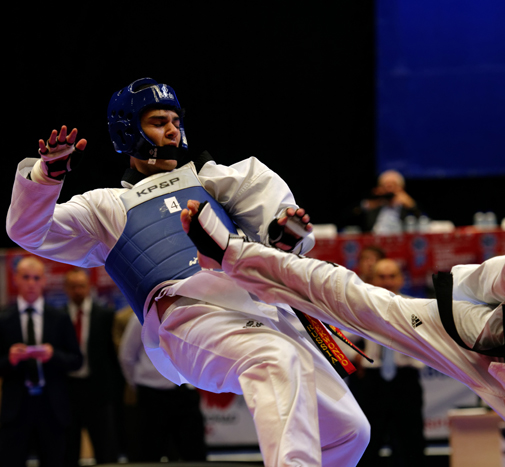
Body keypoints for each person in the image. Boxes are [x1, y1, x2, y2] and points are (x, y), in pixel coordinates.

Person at [182, 193, 505, 466]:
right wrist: (481, 332)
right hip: (496, 353)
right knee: (361, 299)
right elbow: (473, 287)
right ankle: (231, 254)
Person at [7, 77, 369, 466]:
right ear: (129, 131)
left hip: (260, 310)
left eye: (176, 120)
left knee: (349, 431)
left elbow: (277, 230)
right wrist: (47, 177)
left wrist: (283, 235)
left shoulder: (215, 180)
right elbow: (28, 231)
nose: (172, 128)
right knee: (273, 359)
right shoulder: (107, 207)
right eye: (158, 120)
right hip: (188, 318)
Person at [0, 256, 83, 467]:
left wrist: (53, 355)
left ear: (44, 281)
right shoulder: (3, 319)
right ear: (15, 279)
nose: (31, 283)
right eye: (26, 277)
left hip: (52, 407)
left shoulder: (59, 317)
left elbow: (77, 360)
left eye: (36, 278)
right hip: (16, 408)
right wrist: (9, 359)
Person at [349, 258, 426, 466]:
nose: (387, 281)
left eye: (392, 276)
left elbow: (429, 339)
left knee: (411, 442)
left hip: (406, 378)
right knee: (368, 443)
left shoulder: (414, 307)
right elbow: (339, 337)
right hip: (373, 382)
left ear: (401, 279)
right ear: (372, 280)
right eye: (381, 276)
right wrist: (356, 356)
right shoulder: (361, 308)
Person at [119, 313, 207, 461]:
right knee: (148, 453)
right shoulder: (141, 318)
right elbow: (126, 356)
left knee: (194, 451)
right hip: (152, 395)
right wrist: (138, 383)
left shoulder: (191, 313)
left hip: (185, 392)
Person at [63, 268, 123, 466]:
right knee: (68, 449)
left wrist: (114, 392)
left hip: (99, 391)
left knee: (105, 449)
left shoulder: (105, 315)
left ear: (89, 287)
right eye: (73, 287)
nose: (78, 291)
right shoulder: (59, 317)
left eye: (81, 286)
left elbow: (113, 358)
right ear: (66, 289)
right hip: (69, 391)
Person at [353, 170, 423, 233]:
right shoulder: (373, 204)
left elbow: (423, 220)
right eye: (385, 186)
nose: (389, 190)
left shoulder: (407, 206)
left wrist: (412, 205)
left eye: (393, 185)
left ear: (401, 188)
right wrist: (367, 205)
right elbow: (351, 218)